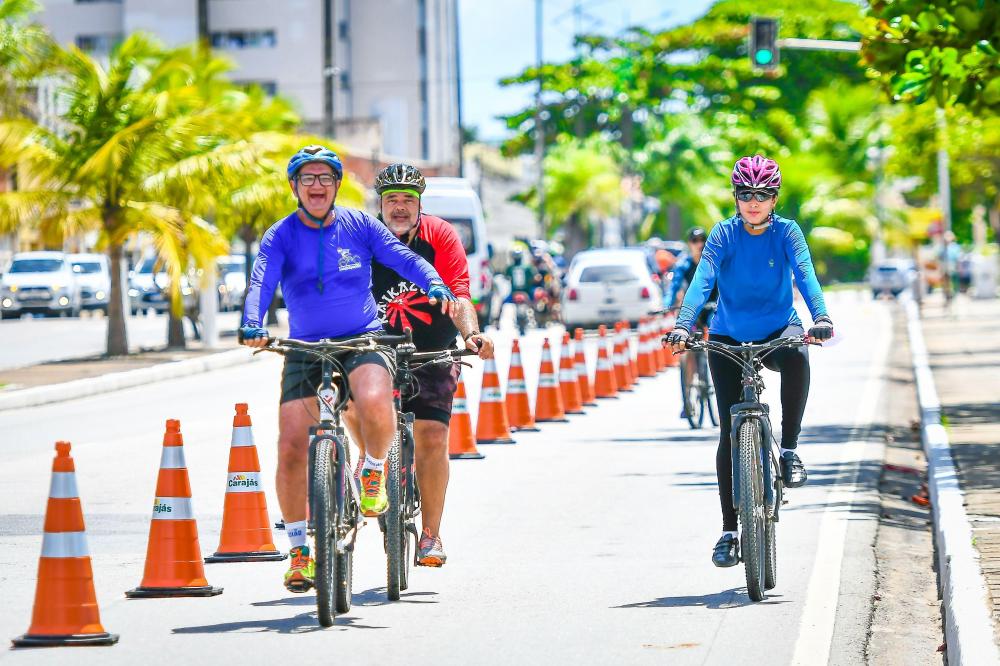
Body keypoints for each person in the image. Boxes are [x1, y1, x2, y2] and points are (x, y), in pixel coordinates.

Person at [238, 146, 458, 592]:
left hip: (363, 338)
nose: (316, 186)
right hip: (305, 346)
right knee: (290, 446)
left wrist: (432, 280)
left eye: (325, 178)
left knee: (376, 403)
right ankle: (300, 550)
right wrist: (252, 322)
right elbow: (261, 280)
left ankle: (373, 467)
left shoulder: (359, 225)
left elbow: (403, 257)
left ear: (337, 185)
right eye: (307, 179)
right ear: (295, 186)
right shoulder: (280, 235)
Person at [664, 155, 834, 569]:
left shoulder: (788, 232)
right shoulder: (723, 234)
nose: (753, 202)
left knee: (798, 356)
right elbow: (703, 279)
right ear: (736, 197)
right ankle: (728, 530)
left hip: (778, 329)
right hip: (727, 334)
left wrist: (822, 316)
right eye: (745, 194)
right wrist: (684, 325)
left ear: (774, 198)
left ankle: (789, 450)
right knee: (727, 432)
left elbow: (806, 274)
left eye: (762, 194)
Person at [364, 163, 495, 567]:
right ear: (380, 205)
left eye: (407, 200)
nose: (399, 208)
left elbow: (459, 293)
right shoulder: (364, 238)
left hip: (433, 349)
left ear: (419, 205)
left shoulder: (440, 234)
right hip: (376, 347)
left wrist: (471, 335)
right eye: (391, 201)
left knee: (434, 437)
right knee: (354, 407)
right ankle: (367, 466)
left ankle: (431, 535)